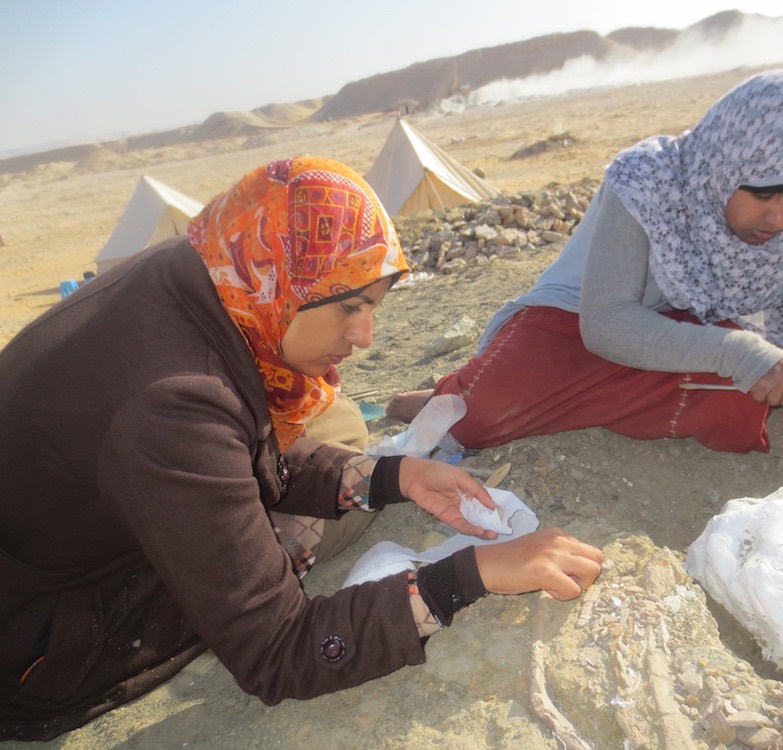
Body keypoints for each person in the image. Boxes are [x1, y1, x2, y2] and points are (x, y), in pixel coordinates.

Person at [0, 157, 603, 741]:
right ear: (286, 283)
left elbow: (251, 450)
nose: (364, 337)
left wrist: (398, 478)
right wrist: (470, 575)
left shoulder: (216, 267)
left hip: (88, 522)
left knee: (333, 447)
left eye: (372, 307)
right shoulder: (175, 404)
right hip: (42, 633)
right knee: (309, 520)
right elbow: (280, 652)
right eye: (350, 306)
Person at [388, 70, 783, 463]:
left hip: (681, 339)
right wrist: (743, 353)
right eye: (763, 194)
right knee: (481, 417)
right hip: (575, 324)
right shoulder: (647, 179)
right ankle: (453, 393)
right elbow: (607, 323)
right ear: (724, 165)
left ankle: (540, 401)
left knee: (750, 400)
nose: (781, 217)